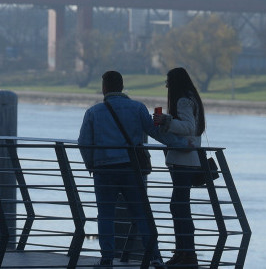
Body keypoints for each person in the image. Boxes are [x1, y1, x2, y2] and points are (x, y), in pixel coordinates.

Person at [78, 70, 165, 268]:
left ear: (104, 88)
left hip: (103, 169)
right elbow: (154, 132)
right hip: (131, 168)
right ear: (122, 86)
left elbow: (84, 142)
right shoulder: (137, 108)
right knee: (141, 214)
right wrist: (178, 142)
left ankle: (107, 257)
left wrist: (90, 163)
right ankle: (155, 256)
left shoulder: (93, 112)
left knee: (106, 214)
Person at [153, 67, 206, 268]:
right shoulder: (193, 98)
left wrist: (166, 120)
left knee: (179, 206)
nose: (166, 85)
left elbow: (188, 127)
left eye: (168, 81)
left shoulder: (183, 100)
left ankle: (186, 253)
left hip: (183, 160)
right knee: (180, 206)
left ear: (174, 82)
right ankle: (183, 252)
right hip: (189, 159)